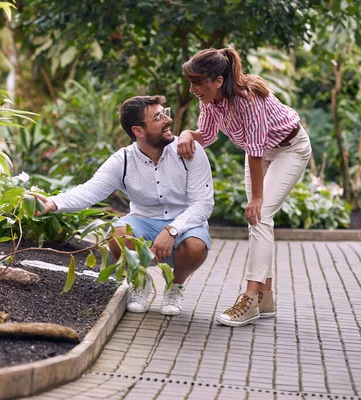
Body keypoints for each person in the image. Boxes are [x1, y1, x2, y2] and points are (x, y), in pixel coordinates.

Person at [34, 95, 214, 316]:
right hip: (143, 220)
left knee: (196, 245)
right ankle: (139, 280)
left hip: (184, 221)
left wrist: (173, 229)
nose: (167, 119)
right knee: (118, 233)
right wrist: (53, 203)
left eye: (164, 112)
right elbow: (90, 190)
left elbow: (203, 203)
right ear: (138, 131)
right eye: (158, 117)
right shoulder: (124, 160)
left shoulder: (189, 152)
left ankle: (174, 286)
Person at [178, 48, 312, 327]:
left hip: (291, 150)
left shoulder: (247, 100)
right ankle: (266, 297)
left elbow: (255, 152)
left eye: (197, 83)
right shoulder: (211, 100)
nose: (192, 90)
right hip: (261, 152)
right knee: (258, 221)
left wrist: (259, 198)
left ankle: (250, 300)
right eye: (190, 82)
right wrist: (187, 133)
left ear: (217, 80)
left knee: (260, 215)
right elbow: (209, 135)